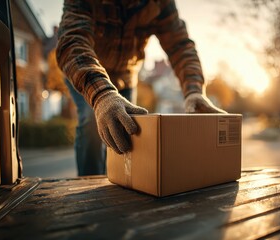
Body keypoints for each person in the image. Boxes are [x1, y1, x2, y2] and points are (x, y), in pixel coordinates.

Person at [56, 0, 227, 165]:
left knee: (127, 130)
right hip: (85, 71)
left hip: (126, 77)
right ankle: (89, 183)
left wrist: (194, 90)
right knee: (91, 122)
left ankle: (120, 180)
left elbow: (180, 46)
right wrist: (101, 95)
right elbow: (72, 41)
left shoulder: (160, 3)